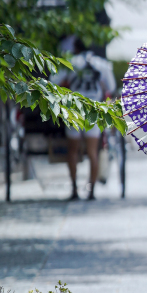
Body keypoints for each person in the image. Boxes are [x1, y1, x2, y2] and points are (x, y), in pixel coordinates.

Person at [59, 39, 116, 201]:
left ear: (75, 48)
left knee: (73, 150)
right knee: (93, 151)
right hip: (94, 110)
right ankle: (91, 190)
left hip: (74, 110)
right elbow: (110, 87)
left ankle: (74, 188)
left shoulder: (70, 63)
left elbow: (54, 82)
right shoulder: (101, 64)